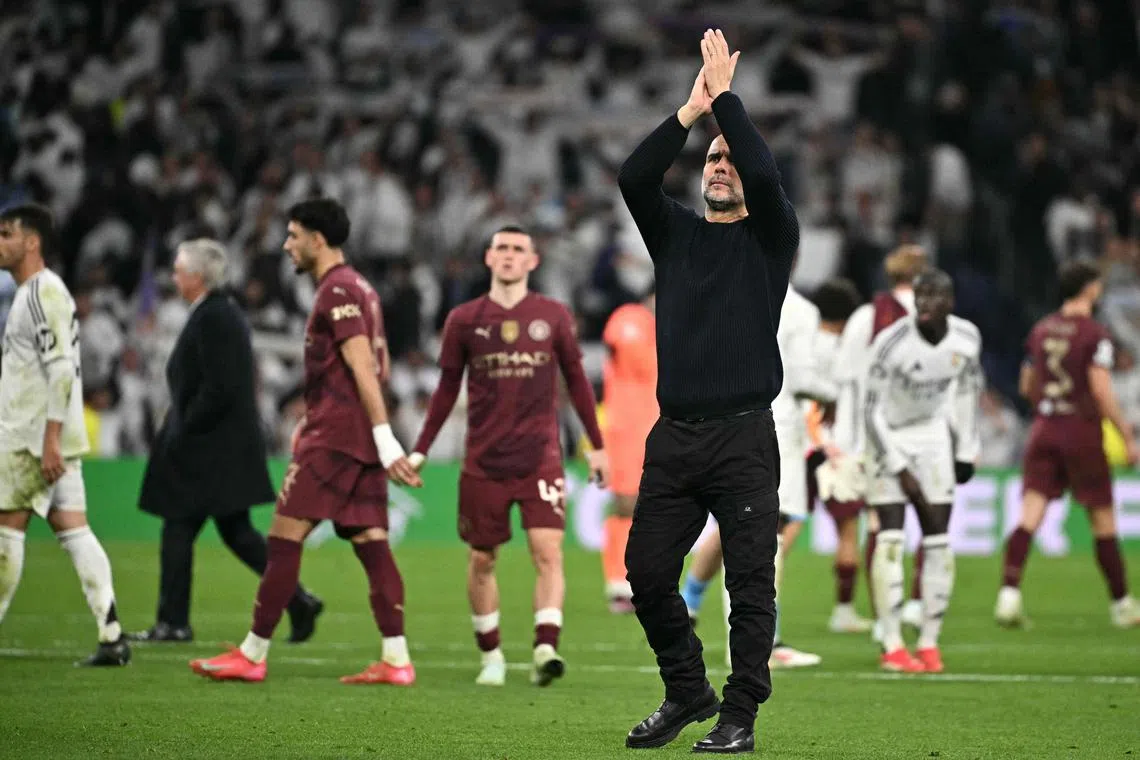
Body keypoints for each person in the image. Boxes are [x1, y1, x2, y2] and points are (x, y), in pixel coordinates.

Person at [617, 29, 799, 754]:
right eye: (711, 161)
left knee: (750, 586)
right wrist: (690, 112)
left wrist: (728, 100)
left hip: (744, 436)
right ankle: (686, 689)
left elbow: (762, 165)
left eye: (730, 159)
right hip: (677, 437)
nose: (719, 165)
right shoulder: (677, 236)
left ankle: (740, 716)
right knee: (644, 573)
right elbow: (634, 177)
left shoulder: (771, 238)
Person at [189, 198, 423, 684]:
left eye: (294, 236)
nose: (286, 246)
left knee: (282, 537)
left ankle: (253, 653)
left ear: (318, 240)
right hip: (348, 431)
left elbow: (362, 366)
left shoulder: (336, 289)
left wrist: (383, 438)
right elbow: (373, 365)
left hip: (337, 437)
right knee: (372, 543)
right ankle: (397, 658)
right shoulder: (361, 286)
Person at [408, 225, 609, 687]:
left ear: (533, 262)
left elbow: (578, 383)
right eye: (502, 248)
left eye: (519, 249)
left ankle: (544, 647)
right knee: (482, 559)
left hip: (540, 456)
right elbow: (444, 391)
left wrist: (596, 445)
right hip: (483, 461)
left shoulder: (554, 316)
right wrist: (420, 451)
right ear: (488, 258)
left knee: (548, 551)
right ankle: (491, 657)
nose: (509, 256)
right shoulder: (463, 319)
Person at [131, 238, 322, 644]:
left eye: (180, 269)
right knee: (236, 534)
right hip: (219, 448)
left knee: (180, 528)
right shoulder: (219, 314)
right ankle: (298, 599)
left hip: (207, 450)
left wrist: (184, 428)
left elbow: (218, 389)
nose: (175, 277)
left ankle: (174, 622)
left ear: (198, 277)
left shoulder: (214, 317)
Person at [0, 203, 130, 666]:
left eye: (6, 234)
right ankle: (112, 634)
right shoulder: (39, 293)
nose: (0, 242)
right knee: (75, 532)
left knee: (5, 533)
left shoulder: (40, 292)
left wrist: (49, 439)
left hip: (31, 438)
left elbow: (59, 372)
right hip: (48, 435)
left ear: (31, 241)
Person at [680, 280, 832, 671]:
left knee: (738, 525)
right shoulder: (799, 310)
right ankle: (757, 642)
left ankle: (694, 602)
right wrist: (842, 390)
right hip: (777, 427)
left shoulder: (723, 294)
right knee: (769, 534)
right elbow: (801, 381)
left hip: (727, 424)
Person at [996, 259, 1140, 629]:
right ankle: (1122, 604)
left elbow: (1027, 384)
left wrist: (1047, 408)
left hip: (1044, 428)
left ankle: (1008, 594)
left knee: (1030, 515)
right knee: (1102, 521)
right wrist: (1125, 432)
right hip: (1082, 431)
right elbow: (1101, 389)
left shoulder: (1041, 330)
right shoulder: (1095, 334)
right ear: (1090, 288)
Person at [863, 269, 982, 674]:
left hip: (932, 438)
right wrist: (897, 465)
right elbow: (869, 410)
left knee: (938, 540)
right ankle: (893, 642)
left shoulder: (966, 339)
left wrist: (967, 447)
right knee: (891, 538)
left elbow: (968, 391)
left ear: (951, 301)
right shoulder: (891, 341)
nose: (924, 304)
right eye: (919, 296)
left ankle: (929, 642)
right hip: (888, 436)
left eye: (934, 296)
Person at [820, 245, 929, 638]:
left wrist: (842, 437)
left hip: (867, 435)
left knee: (879, 524)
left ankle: (884, 617)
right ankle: (913, 604)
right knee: (927, 522)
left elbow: (841, 379)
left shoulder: (867, 316)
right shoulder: (932, 317)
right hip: (917, 435)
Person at [802, 278, 870, 633]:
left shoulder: (803, 342)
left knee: (780, 531)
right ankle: (843, 611)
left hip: (802, 444)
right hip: (835, 448)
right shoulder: (847, 352)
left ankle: (768, 612)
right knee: (848, 529)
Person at [600, 286, 657, 614]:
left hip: (659, 425)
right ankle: (619, 583)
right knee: (626, 503)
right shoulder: (629, 317)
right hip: (627, 425)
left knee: (654, 506)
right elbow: (630, 350)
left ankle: (642, 580)